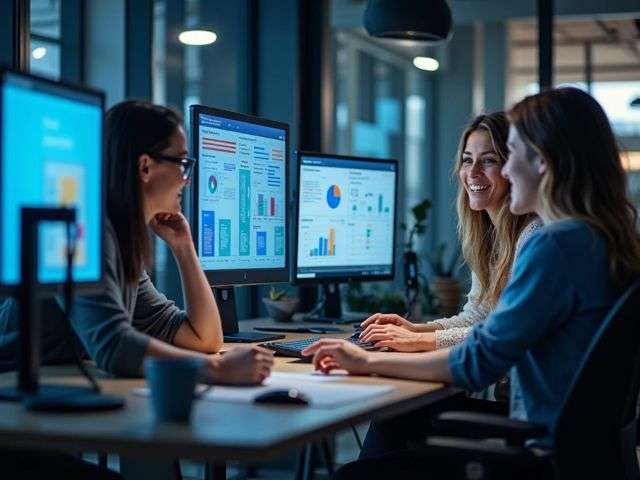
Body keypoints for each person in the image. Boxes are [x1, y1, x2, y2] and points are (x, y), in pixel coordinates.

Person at [303, 87, 640, 478]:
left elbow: (479, 362)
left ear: (544, 162)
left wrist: (367, 360)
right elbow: (489, 328)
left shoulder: (556, 245)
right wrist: (415, 334)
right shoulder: (599, 239)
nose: (509, 172)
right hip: (582, 456)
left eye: (510, 155)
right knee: (400, 420)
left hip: (539, 457)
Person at [0, 100, 274, 384]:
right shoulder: (85, 231)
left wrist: (184, 247)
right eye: (181, 163)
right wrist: (216, 371)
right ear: (145, 166)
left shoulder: (121, 239)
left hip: (55, 389)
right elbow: (114, 345)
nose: (187, 180)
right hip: (12, 396)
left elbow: (204, 339)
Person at [358, 112, 540, 353]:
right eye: (467, 160)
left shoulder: (533, 235)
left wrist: (418, 341)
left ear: (510, 168)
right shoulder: (491, 237)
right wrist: (414, 329)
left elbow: (508, 329)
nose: (473, 172)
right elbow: (478, 316)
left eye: (488, 160)